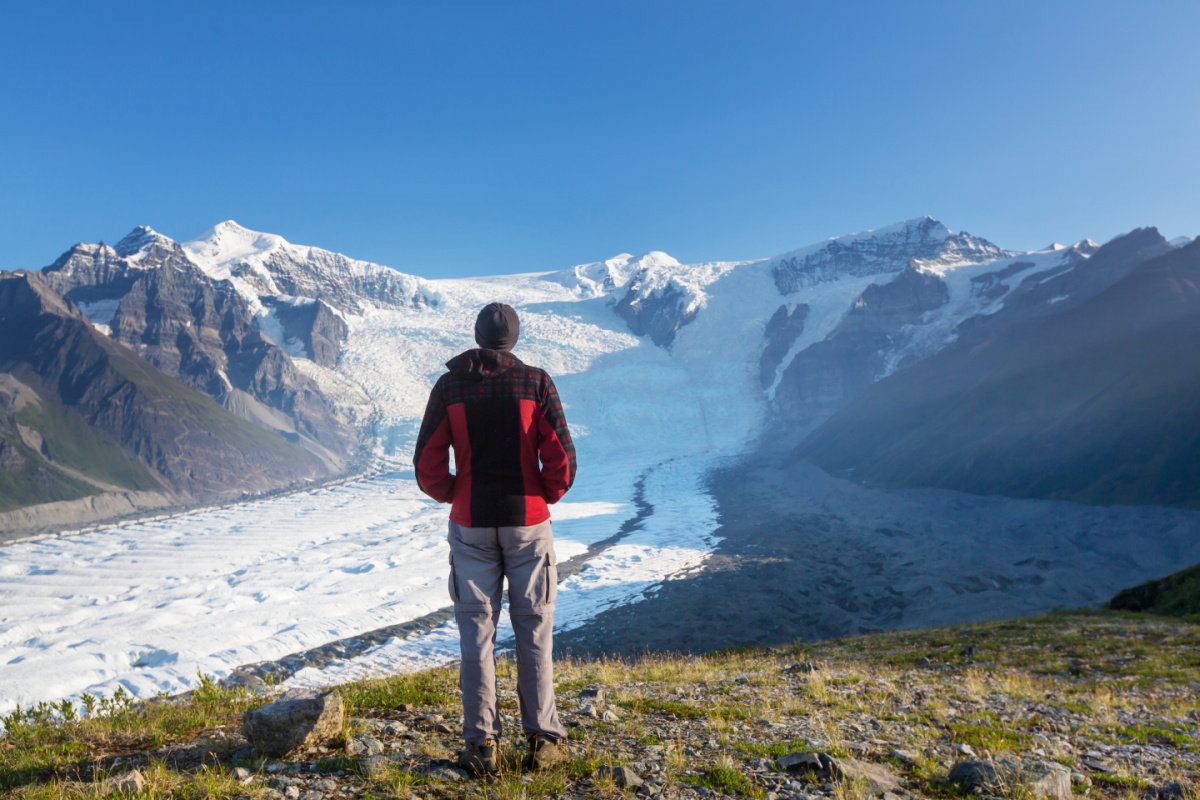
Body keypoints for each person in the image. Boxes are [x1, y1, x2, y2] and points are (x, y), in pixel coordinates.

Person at [413, 302, 577, 776]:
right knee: (534, 629)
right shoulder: (536, 382)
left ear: (478, 336)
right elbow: (562, 457)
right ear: (515, 339)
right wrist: (543, 494)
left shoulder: (450, 386)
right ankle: (543, 739)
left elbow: (427, 462)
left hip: (470, 524)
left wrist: (455, 493)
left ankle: (481, 745)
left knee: (476, 635)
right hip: (528, 522)